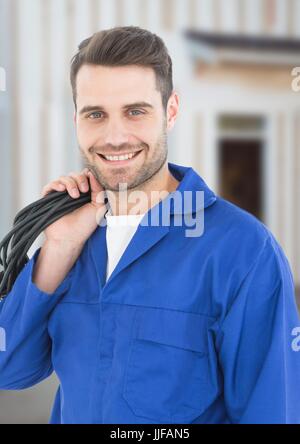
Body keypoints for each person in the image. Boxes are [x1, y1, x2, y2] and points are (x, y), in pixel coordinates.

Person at [0, 26, 299, 424]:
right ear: (77, 120)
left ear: (170, 111)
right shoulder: (69, 240)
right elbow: (11, 368)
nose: (115, 136)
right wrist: (57, 248)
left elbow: (272, 410)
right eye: (96, 114)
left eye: (135, 111)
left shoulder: (242, 251)